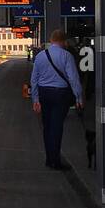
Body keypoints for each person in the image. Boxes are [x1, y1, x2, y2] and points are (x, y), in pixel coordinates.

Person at [30, 29, 84, 170]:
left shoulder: (41, 56)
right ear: (64, 41)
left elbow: (34, 79)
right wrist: (78, 97)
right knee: (57, 128)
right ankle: (55, 161)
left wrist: (35, 99)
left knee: (47, 127)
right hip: (61, 95)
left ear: (51, 40)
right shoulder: (67, 56)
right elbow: (73, 79)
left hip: (44, 93)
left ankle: (49, 159)